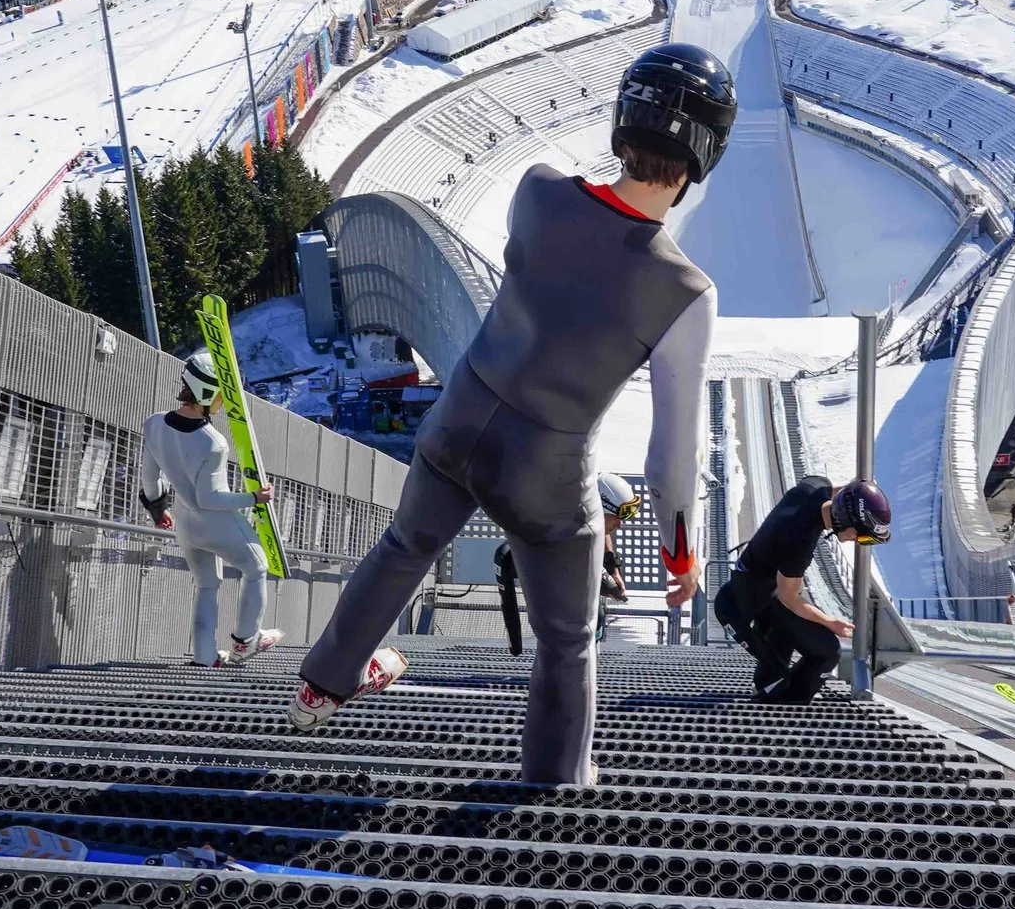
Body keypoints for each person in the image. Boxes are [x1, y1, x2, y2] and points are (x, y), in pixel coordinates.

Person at [291, 43, 735, 783]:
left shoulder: (537, 187)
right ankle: (554, 784)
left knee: (405, 544)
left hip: (460, 418)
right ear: (704, 157)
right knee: (567, 640)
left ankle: (321, 685)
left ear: (625, 120)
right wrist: (681, 554)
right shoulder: (689, 291)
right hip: (549, 469)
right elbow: (671, 456)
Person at [142, 349, 282, 669]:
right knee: (257, 567)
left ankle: (204, 657)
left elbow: (149, 479)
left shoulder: (153, 425)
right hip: (213, 521)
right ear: (208, 392)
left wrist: (158, 511)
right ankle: (247, 640)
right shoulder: (212, 441)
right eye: (221, 396)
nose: (223, 404)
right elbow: (211, 498)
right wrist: (254, 498)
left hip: (184, 524)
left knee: (206, 585)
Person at [718, 476, 893, 703]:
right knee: (827, 651)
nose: (857, 541)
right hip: (756, 595)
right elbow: (789, 598)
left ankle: (769, 689)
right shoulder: (800, 538)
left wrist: (862, 491)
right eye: (860, 535)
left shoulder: (815, 488)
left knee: (784, 644)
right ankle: (789, 705)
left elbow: (841, 492)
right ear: (845, 523)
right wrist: (830, 623)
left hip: (751, 581)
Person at [595, 473, 642, 641]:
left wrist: (612, 568)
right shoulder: (564, 520)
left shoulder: (591, 514)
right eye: (618, 516)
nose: (620, 524)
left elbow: (601, 527)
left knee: (596, 618)